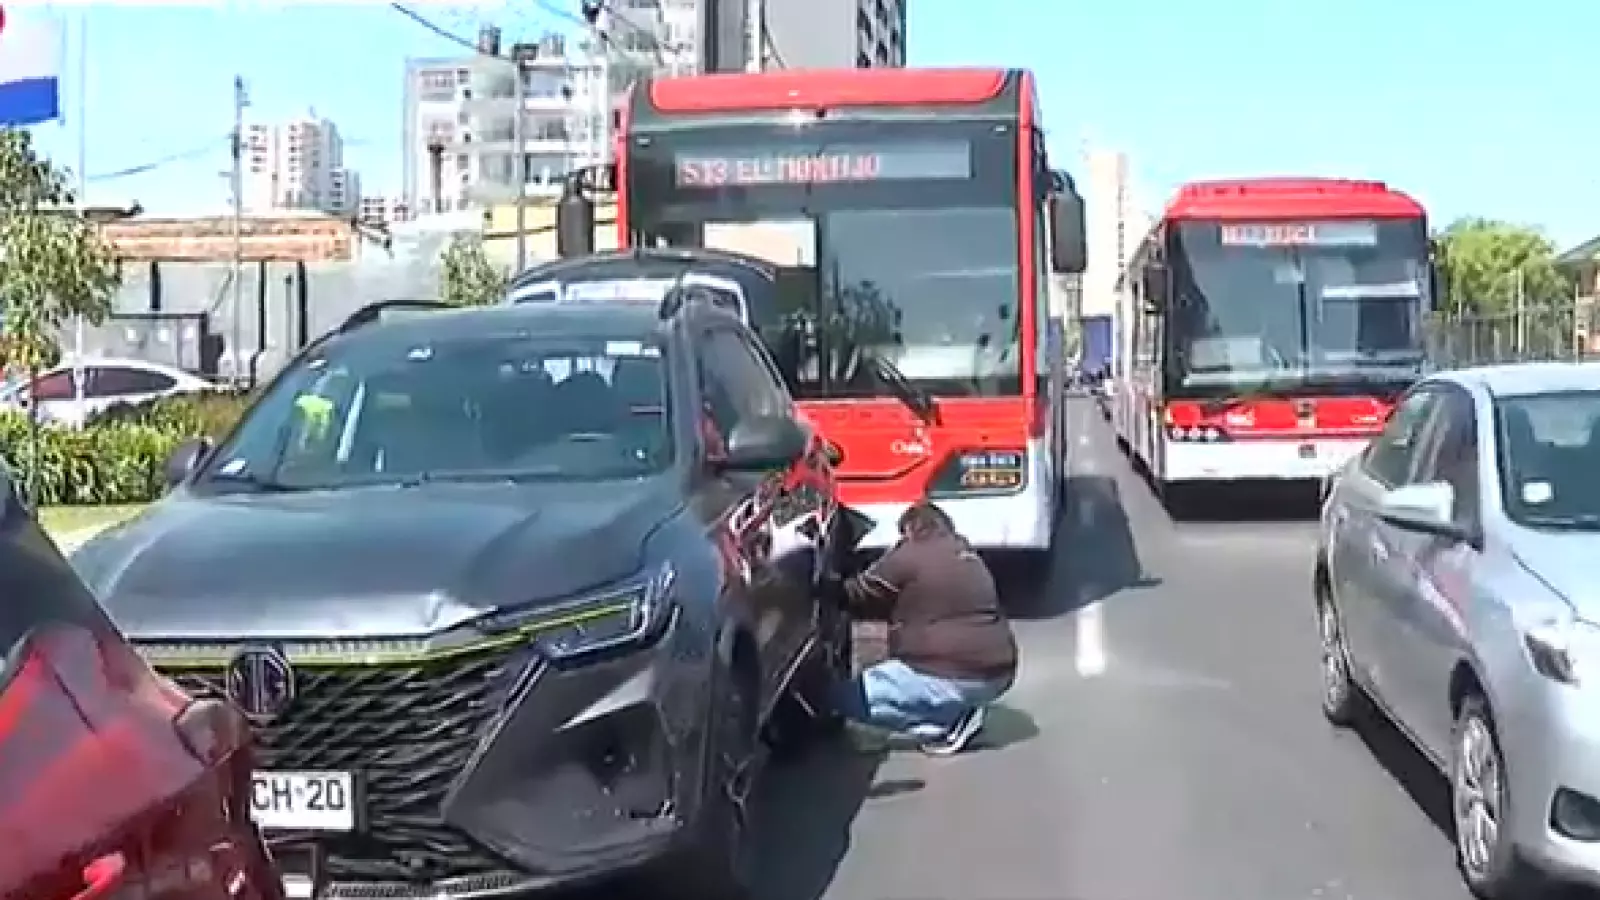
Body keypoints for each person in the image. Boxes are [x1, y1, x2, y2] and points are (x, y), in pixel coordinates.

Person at [836, 501, 1018, 755]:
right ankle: (958, 710)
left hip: (952, 672)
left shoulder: (910, 554)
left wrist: (826, 585)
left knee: (842, 698)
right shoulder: (965, 552)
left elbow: (859, 592)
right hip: (999, 672)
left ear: (910, 530)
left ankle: (946, 724)